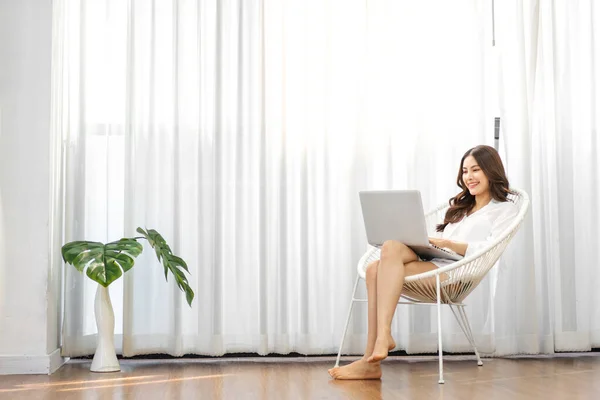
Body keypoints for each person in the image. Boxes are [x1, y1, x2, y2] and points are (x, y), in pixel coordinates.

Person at [328, 145, 519, 380]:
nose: (469, 177)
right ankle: (377, 346)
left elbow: (490, 248)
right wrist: (427, 242)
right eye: (465, 171)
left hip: (456, 272)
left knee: (376, 269)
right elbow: (436, 242)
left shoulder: (503, 209)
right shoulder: (461, 208)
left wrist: (447, 243)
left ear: (491, 170)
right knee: (385, 252)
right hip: (434, 260)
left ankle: (376, 350)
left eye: (476, 170)